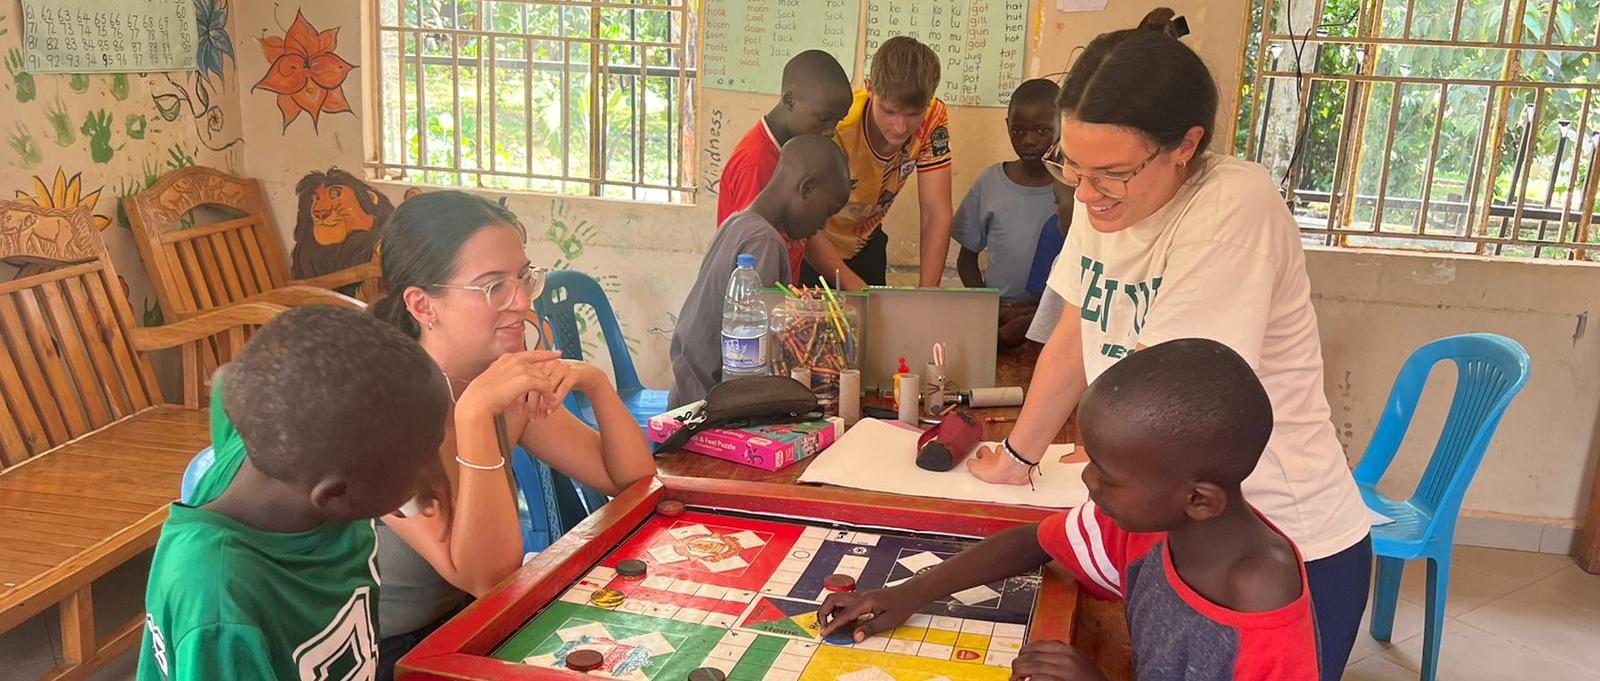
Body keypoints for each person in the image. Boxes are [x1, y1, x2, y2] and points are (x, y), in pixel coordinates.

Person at [964, 9, 1372, 678]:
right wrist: (1018, 454)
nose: (1087, 194)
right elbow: (1078, 323)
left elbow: (1171, 399)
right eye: (1073, 165)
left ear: (1186, 144)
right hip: (1168, 532)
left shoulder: (1233, 211)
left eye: (1111, 174)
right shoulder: (1111, 192)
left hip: (1274, 543)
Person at [820, 339, 1320, 681]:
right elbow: (1034, 540)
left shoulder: (1260, 600)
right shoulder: (1155, 525)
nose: (1087, 480)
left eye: (1108, 474)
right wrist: (910, 592)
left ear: (1198, 499)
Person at [371, 191, 657, 680]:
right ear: (423, 305)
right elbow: (486, 576)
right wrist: (477, 413)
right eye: (492, 288)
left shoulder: (499, 380)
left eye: (524, 278)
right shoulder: (381, 409)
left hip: (465, 623)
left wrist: (595, 383)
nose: (523, 302)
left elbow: (630, 481)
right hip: (389, 653)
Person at [137, 305, 451, 680]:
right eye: (420, 460)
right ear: (336, 494)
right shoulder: (221, 608)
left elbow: (227, 381)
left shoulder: (284, 449)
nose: (432, 476)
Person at [671, 134, 852, 407]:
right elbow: (764, 356)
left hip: (687, 392)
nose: (823, 225)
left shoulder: (737, 222)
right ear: (806, 188)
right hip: (713, 406)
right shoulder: (764, 242)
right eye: (827, 211)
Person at [802, 36, 953, 291]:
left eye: (913, 114)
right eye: (889, 111)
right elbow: (802, 220)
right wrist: (863, 293)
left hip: (865, 241)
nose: (900, 127)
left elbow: (935, 212)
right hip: (814, 246)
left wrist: (928, 296)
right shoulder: (838, 125)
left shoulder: (934, 118)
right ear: (870, 88)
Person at [717, 50, 854, 283]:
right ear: (790, 101)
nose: (831, 131)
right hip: (755, 304)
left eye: (837, 121)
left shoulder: (794, 152)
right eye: (824, 118)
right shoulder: (757, 161)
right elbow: (752, 259)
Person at [953, 78, 1069, 348]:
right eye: (1018, 131)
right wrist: (986, 307)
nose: (1028, 140)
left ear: (1062, 123)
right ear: (1007, 126)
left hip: (1054, 318)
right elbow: (966, 259)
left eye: (1042, 130)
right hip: (1001, 315)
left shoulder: (1074, 188)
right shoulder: (990, 182)